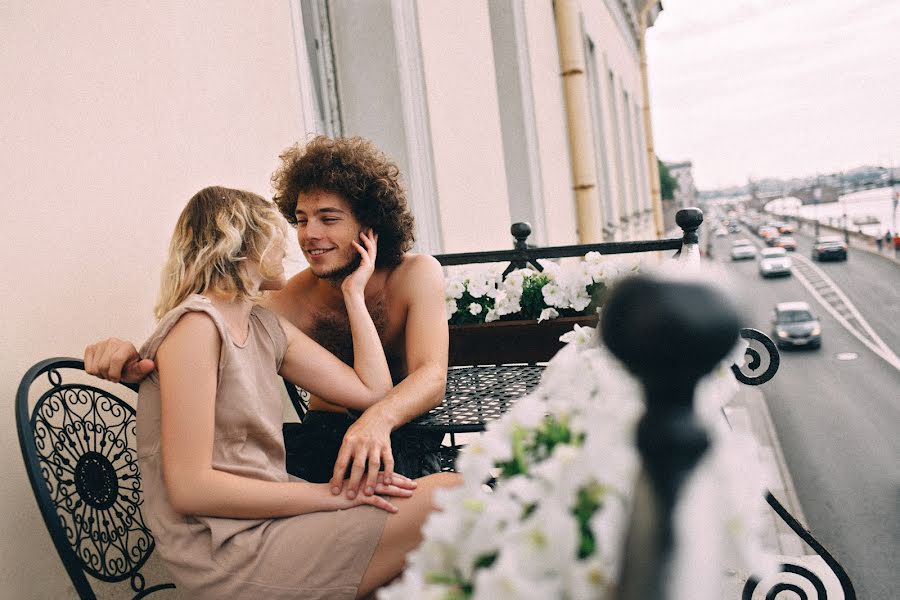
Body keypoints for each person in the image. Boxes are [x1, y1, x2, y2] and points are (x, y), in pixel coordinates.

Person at [134, 186, 459, 599]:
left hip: (274, 525)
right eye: (281, 228)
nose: (293, 241)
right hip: (226, 549)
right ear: (242, 242)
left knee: (431, 537)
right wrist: (331, 496)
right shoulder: (196, 327)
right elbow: (191, 488)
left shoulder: (263, 325)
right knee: (449, 499)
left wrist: (353, 295)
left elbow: (372, 390)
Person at [85, 136, 449, 502]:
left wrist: (379, 419)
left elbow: (431, 376)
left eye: (328, 218)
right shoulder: (286, 299)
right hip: (323, 440)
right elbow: (194, 347)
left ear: (369, 224)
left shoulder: (416, 274)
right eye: (302, 220)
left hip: (404, 430)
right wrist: (124, 354)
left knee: (431, 497)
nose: (309, 235)